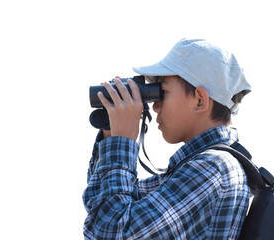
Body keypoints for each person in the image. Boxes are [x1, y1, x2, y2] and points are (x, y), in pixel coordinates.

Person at [83, 38, 252, 239]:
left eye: (162, 93)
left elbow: (110, 233)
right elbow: (103, 206)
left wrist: (122, 143)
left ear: (200, 100)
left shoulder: (213, 167)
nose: (154, 106)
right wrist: (111, 133)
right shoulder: (201, 166)